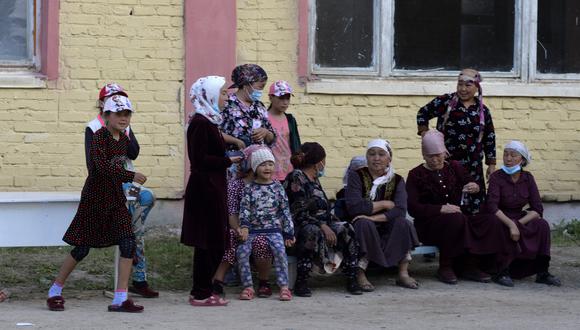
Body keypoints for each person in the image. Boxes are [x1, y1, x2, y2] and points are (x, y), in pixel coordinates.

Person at [47, 95, 146, 312]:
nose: (123, 118)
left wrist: (129, 178)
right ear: (106, 115)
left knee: (128, 243)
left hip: (115, 198)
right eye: (118, 114)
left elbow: (132, 154)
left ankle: (120, 298)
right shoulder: (99, 137)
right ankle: (54, 290)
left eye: (127, 114)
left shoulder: (125, 139)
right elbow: (99, 167)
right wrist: (130, 175)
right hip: (95, 197)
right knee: (82, 248)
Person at [406, 130, 517, 285]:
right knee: (455, 219)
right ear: (423, 155)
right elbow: (413, 208)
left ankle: (472, 265)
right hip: (429, 225)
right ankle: (446, 266)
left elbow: (472, 182)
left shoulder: (454, 166)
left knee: (490, 220)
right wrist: (440, 209)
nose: (435, 159)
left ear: (445, 153)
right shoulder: (415, 174)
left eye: (439, 154)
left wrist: (474, 186)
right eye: (431, 156)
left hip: (459, 218)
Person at [85, 83, 158, 298]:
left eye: (123, 103)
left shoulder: (124, 125)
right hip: (109, 185)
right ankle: (136, 278)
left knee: (146, 198)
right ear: (103, 105)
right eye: (113, 100)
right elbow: (94, 166)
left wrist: (124, 131)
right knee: (133, 231)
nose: (120, 109)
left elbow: (133, 153)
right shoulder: (93, 128)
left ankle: (138, 278)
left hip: (129, 186)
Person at [181, 76, 242, 307]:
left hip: (213, 186)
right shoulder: (200, 122)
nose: (227, 97)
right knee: (207, 241)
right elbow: (199, 159)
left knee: (215, 240)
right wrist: (227, 160)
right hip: (205, 189)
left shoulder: (210, 120)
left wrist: (225, 160)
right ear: (210, 94)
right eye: (224, 93)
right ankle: (201, 293)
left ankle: (204, 290)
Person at [284, 142, 362, 297]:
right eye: (324, 159)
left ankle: (352, 277)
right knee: (311, 232)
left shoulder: (314, 179)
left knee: (346, 228)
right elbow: (297, 212)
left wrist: (331, 222)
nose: (325, 164)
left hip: (322, 223)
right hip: (301, 226)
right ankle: (301, 281)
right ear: (318, 162)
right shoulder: (296, 177)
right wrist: (322, 226)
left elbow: (323, 208)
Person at [416, 69, 496, 214]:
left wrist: (491, 164)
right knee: (451, 199)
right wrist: (426, 135)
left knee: (474, 198)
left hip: (473, 164)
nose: (463, 89)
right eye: (460, 84)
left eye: (468, 85)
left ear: (477, 87)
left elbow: (489, 137)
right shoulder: (445, 102)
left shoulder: (483, 110)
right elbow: (423, 113)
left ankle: (473, 233)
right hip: (448, 162)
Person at [344, 139, 420, 290]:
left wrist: (371, 216)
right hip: (363, 225)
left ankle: (403, 273)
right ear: (367, 157)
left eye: (381, 154)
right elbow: (354, 206)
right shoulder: (356, 176)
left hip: (386, 223)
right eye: (372, 154)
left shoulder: (397, 180)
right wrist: (385, 204)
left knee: (403, 223)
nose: (376, 158)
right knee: (363, 224)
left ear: (389, 158)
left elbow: (399, 209)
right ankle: (360, 274)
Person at [485, 141, 561, 287]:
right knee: (501, 226)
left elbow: (537, 208)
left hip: (519, 217)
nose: (508, 159)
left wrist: (518, 224)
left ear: (522, 160)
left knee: (542, 225)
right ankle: (503, 271)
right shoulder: (496, 177)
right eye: (506, 154)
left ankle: (542, 272)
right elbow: (492, 206)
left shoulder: (528, 178)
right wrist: (511, 224)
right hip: (501, 216)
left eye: (513, 155)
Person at [212, 145, 275, 298]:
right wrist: (239, 229)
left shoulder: (271, 185)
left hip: (262, 228)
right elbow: (231, 212)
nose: (265, 167)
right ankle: (217, 280)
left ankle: (264, 282)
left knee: (262, 241)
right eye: (261, 162)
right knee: (231, 236)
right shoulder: (236, 185)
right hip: (239, 226)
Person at [237, 148, 295, 301]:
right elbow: (245, 209)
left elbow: (285, 211)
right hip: (252, 231)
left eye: (270, 164)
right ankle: (248, 287)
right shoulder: (249, 189)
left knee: (280, 253)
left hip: (274, 230)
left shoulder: (277, 187)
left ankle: (284, 287)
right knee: (242, 253)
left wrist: (288, 232)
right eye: (263, 165)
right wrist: (243, 227)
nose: (267, 168)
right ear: (255, 168)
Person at [220, 64, 276, 150]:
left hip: (258, 160)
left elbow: (272, 136)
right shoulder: (226, 104)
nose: (261, 91)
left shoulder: (259, 106)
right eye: (260, 87)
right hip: (233, 159)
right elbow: (214, 133)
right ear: (246, 85)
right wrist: (235, 141)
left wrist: (266, 133)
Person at [267, 80, 301, 183]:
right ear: (271, 97)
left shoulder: (290, 119)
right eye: (281, 98)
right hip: (269, 172)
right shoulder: (263, 118)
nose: (285, 102)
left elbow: (296, 144)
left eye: (288, 98)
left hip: (289, 172)